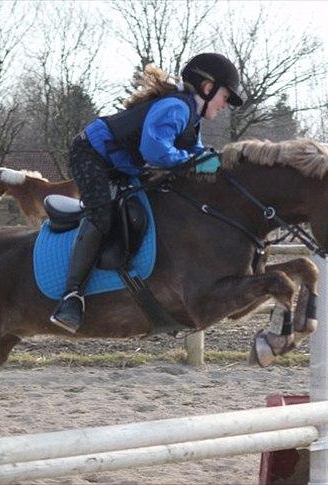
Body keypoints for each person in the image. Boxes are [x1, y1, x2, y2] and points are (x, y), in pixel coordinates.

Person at [50, 52, 244, 333]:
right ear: (207, 87)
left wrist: (221, 163)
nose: (225, 105)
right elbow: (155, 150)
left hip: (120, 162)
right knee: (102, 215)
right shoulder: (176, 108)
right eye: (225, 97)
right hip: (90, 154)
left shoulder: (191, 118)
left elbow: (195, 154)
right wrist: (195, 163)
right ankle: (71, 296)